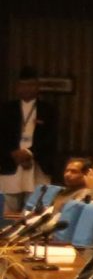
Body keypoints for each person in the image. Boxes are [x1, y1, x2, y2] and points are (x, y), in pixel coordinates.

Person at [2, 67, 64, 213]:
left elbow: (51, 137)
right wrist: (13, 153)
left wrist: (29, 153)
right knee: (6, 209)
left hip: (38, 162)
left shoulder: (48, 110)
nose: (27, 88)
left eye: (31, 85)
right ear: (17, 87)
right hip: (10, 162)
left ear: (37, 87)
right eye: (23, 85)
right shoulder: (5, 109)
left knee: (34, 209)